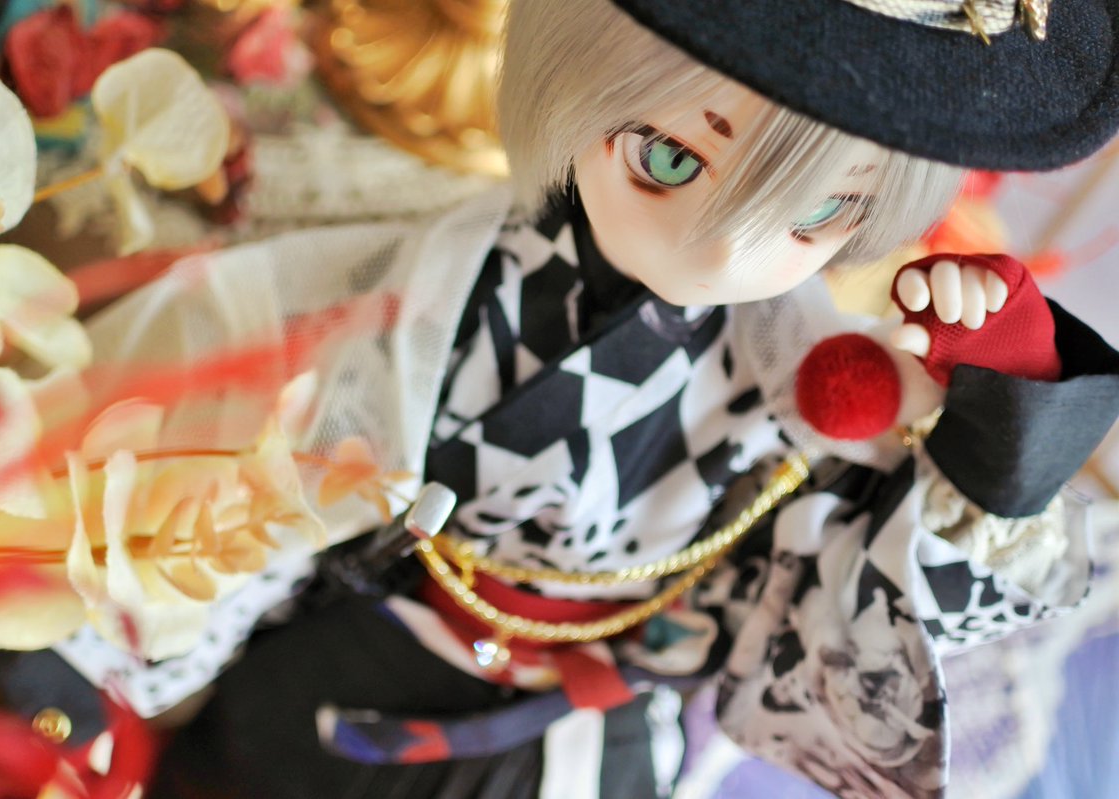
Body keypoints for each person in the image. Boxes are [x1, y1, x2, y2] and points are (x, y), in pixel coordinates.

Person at [68, 1, 1119, 797]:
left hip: (597, 735)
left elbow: (853, 609)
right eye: (670, 157)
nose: (725, 250)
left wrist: (1002, 414)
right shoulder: (412, 297)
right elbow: (234, 429)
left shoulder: (804, 378)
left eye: (820, 215)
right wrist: (82, 650)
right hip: (355, 677)